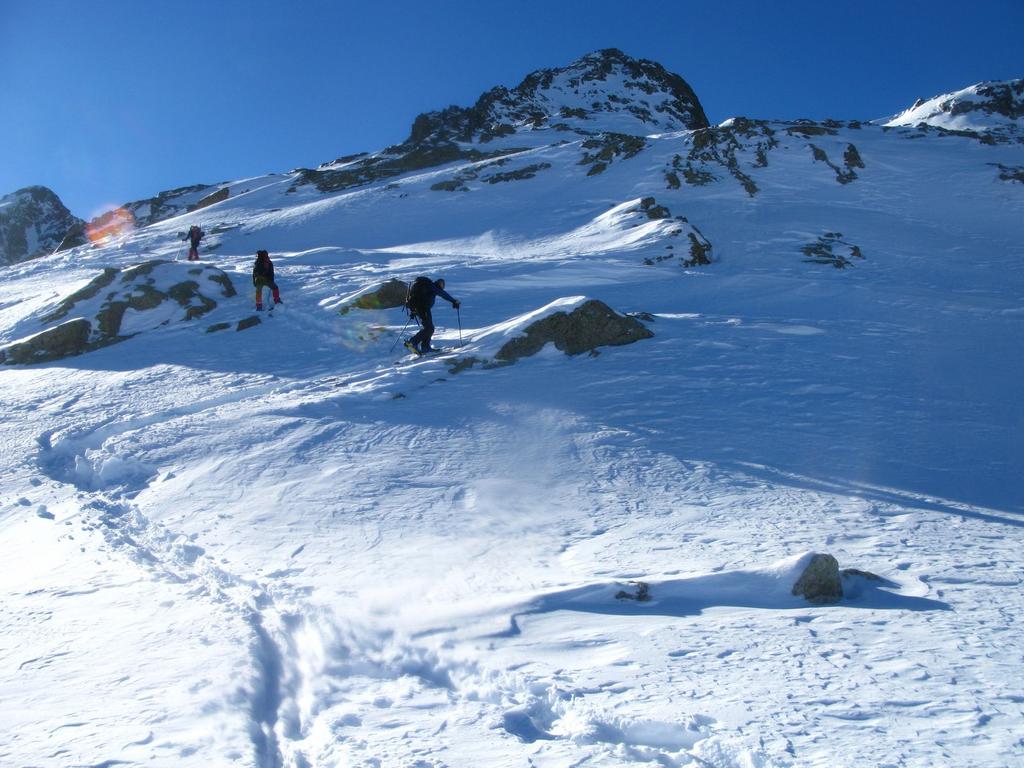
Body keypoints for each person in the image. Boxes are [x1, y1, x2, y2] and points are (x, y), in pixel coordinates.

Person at [404, 276, 459, 354]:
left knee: (429, 328)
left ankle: (425, 347)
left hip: (420, 308)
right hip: (423, 309)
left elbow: (415, 298)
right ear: (439, 283)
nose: (443, 286)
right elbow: (443, 294)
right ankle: (413, 342)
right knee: (429, 328)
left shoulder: (425, 286)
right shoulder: (432, 286)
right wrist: (454, 301)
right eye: (442, 284)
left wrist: (413, 311)